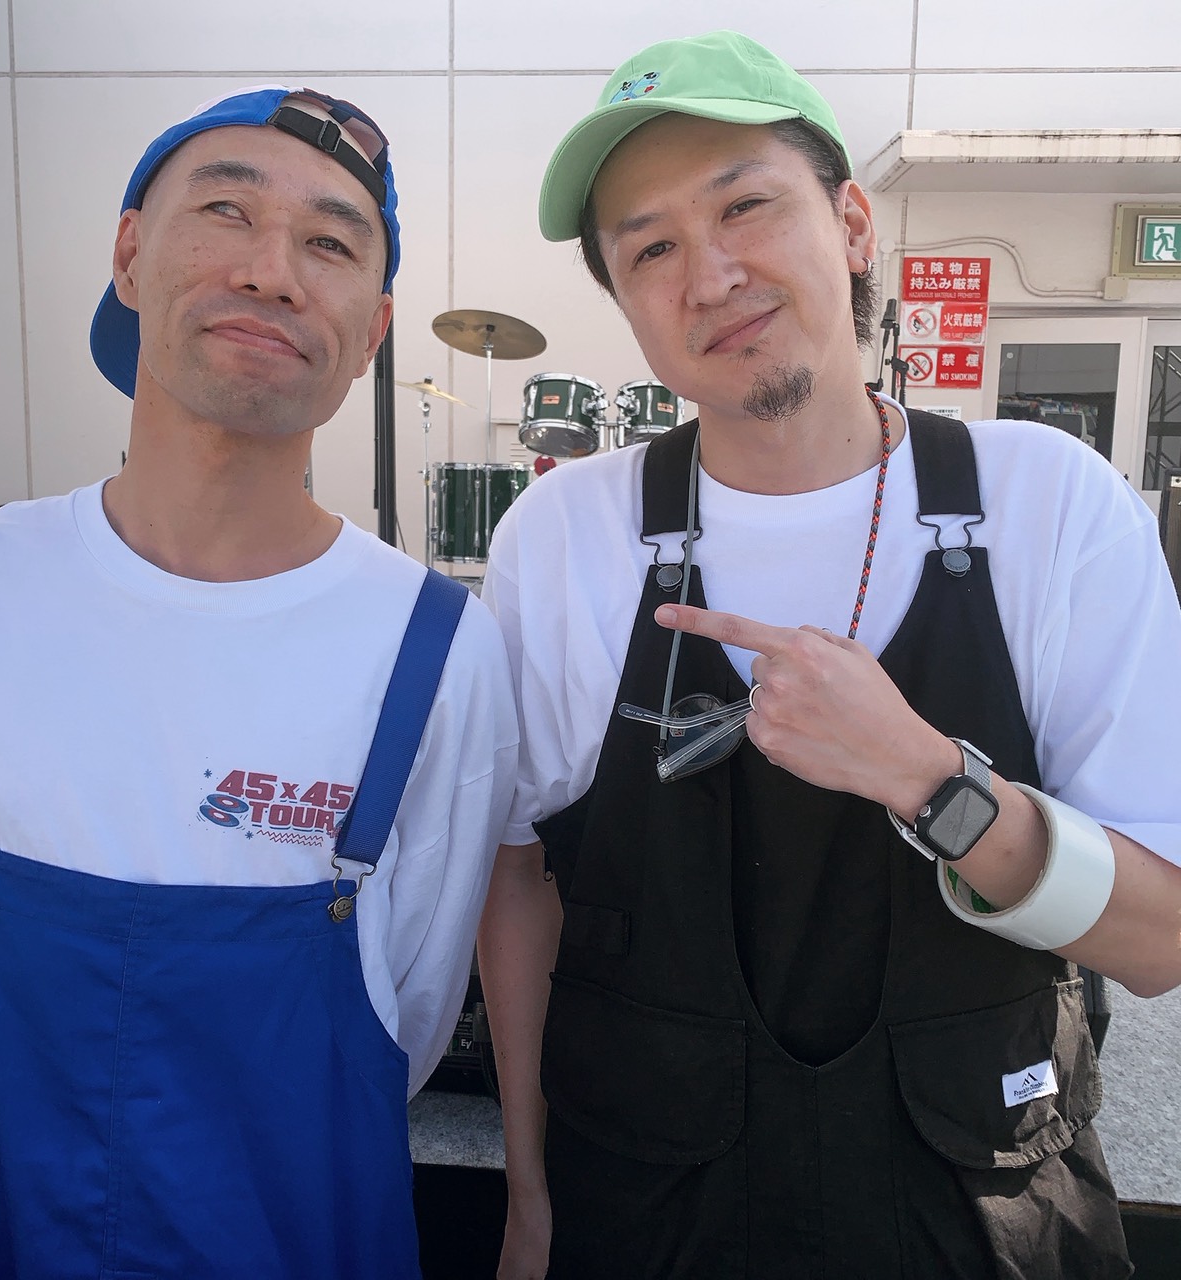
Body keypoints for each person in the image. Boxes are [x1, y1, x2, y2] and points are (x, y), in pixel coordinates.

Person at [478, 30, 1181, 1280]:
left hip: (982, 1216)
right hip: (646, 1210)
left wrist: (935, 783)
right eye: (649, 249)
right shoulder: (563, 536)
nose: (710, 275)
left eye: (744, 206)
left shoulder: (1048, 505)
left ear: (851, 223)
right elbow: (518, 876)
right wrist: (528, 1197)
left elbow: (1160, 938)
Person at [0, 85, 517, 1278]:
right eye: (227, 210)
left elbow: (407, 1013)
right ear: (129, 254)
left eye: (330, 243)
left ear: (375, 328)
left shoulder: (438, 649)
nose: (271, 272)